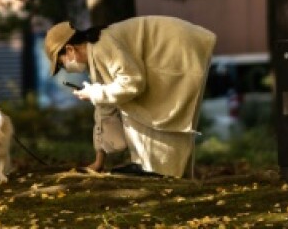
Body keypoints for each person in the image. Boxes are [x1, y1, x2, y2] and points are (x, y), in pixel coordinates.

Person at [44, 16, 216, 177]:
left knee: (159, 118)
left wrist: (96, 93)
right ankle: (166, 176)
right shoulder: (94, 56)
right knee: (142, 116)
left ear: (70, 49)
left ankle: (165, 178)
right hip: (174, 51)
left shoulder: (102, 46)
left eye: (62, 64)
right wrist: (99, 160)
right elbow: (105, 108)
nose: (66, 69)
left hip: (177, 50)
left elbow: (133, 83)